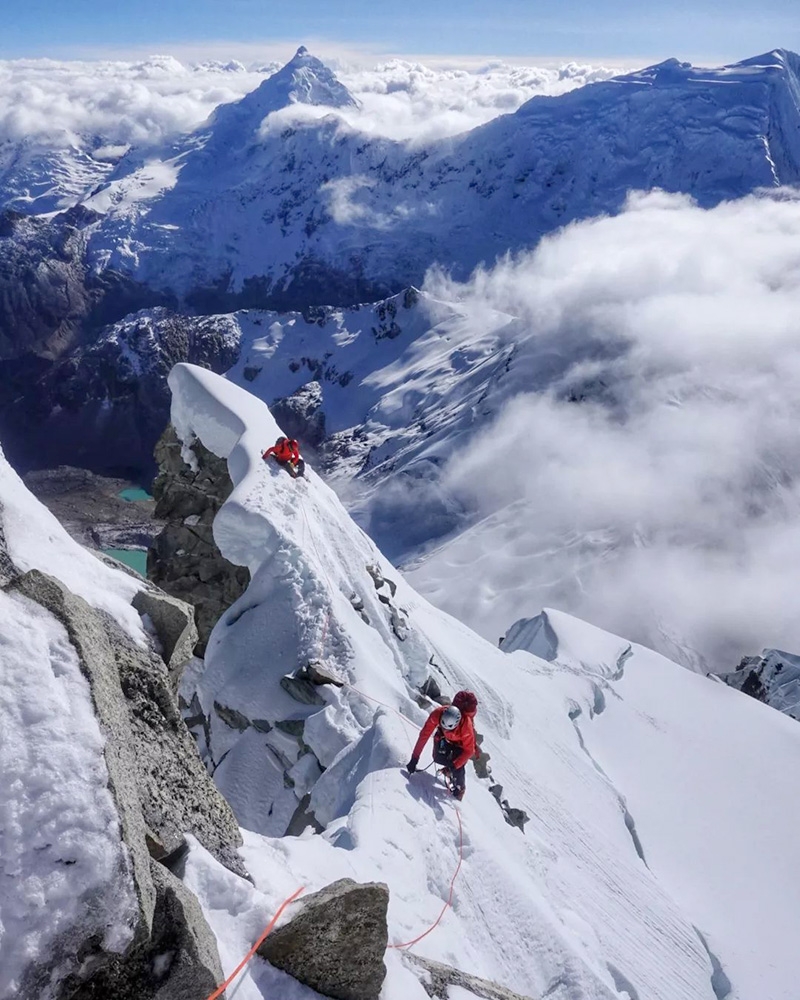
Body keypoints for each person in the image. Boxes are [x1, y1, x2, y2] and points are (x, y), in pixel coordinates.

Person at [406, 689, 478, 800]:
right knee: (437, 758)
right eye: (443, 726)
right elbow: (424, 735)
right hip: (445, 739)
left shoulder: (466, 728)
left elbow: (469, 751)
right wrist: (414, 758)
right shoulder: (437, 714)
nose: (445, 729)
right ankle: (449, 769)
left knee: (458, 768)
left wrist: (454, 766)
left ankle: (460, 789)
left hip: (460, 746)